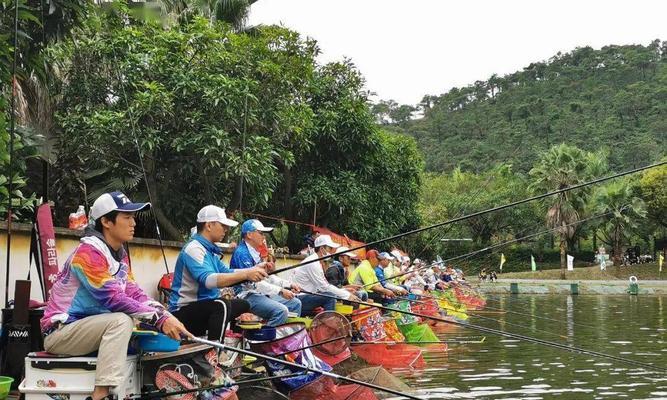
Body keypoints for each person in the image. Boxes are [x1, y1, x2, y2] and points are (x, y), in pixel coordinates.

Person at [41, 192, 192, 400]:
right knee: (121, 321)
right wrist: (159, 319)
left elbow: (134, 293)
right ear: (106, 221)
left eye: (133, 217)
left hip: (88, 329)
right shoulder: (87, 254)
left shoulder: (118, 254)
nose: (133, 223)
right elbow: (113, 298)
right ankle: (101, 395)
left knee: (136, 324)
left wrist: (165, 314)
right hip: (60, 333)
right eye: (127, 217)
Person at [169, 205, 268, 341]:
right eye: (223, 225)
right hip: (182, 312)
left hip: (204, 307)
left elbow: (227, 272)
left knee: (243, 304)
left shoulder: (209, 250)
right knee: (221, 305)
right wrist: (246, 274)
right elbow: (209, 280)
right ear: (209, 225)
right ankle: (214, 352)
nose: (226, 230)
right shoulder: (194, 249)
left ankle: (234, 343)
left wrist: (252, 270)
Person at [230, 219, 302, 326]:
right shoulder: (242, 253)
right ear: (249, 234)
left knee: (295, 303)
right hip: (245, 295)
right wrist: (281, 291)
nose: (264, 237)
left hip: (259, 293)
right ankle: (264, 339)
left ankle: (287, 335)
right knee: (281, 311)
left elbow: (267, 277)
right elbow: (256, 283)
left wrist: (289, 284)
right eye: (261, 233)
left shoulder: (255, 253)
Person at [293, 235, 360, 314]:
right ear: (321, 249)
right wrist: (346, 295)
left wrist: (344, 291)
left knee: (333, 295)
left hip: (308, 295)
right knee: (330, 297)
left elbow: (324, 286)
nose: (332, 252)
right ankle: (329, 322)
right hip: (299, 298)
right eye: (330, 248)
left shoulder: (317, 261)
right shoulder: (313, 263)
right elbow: (324, 287)